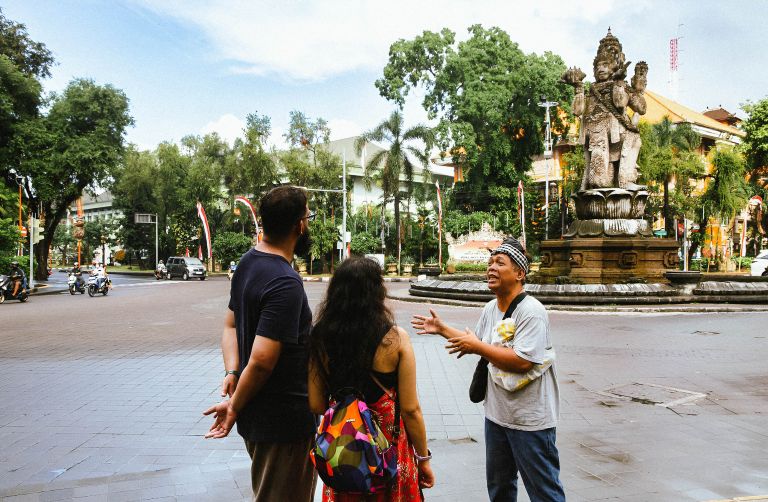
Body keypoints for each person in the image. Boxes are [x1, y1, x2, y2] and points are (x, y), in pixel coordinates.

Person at [412, 237, 565, 502]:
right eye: (490, 263)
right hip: (496, 417)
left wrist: (477, 347)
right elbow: (477, 342)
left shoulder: (532, 311)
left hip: (530, 421)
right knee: (500, 489)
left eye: (500, 263)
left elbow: (523, 361)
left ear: (519, 273)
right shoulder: (491, 308)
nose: (491, 268)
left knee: (544, 492)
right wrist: (442, 329)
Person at [202, 185, 317, 501]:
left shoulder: (247, 262)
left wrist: (232, 371)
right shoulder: (285, 282)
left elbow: (230, 325)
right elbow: (263, 360)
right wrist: (233, 406)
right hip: (283, 422)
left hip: (259, 416)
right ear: (299, 226)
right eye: (308, 217)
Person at [308, 256, 435, 501]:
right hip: (388, 454)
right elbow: (411, 410)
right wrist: (423, 459)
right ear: (377, 292)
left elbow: (316, 404)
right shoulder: (395, 338)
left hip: (345, 453)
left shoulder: (320, 337)